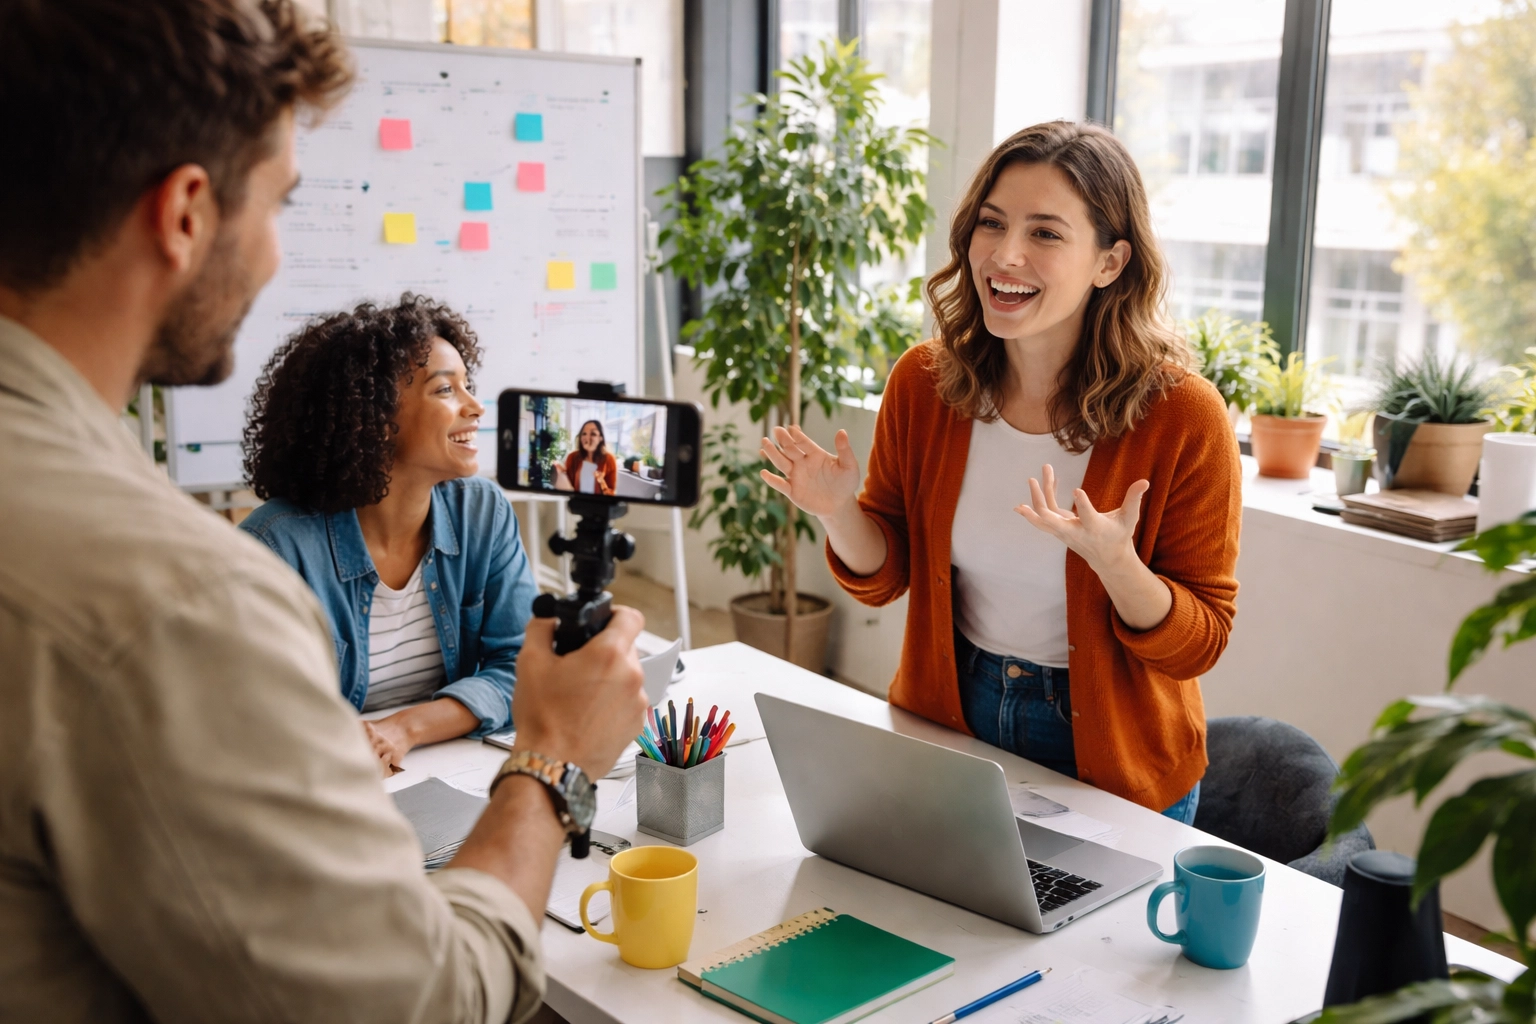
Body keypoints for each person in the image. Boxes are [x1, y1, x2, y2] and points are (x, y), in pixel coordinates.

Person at [0, 3, 648, 1022]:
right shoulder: (187, 597)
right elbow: (415, 1003)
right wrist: (550, 755)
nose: (272, 259)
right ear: (185, 215)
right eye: (281, 204)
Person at [760, 121, 1240, 823]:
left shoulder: (1182, 416)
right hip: (952, 712)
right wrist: (839, 512)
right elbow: (885, 575)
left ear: (1109, 262)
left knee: (1087, 937)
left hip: (1112, 750)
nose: (1005, 255)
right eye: (992, 223)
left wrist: (1116, 565)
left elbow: (1200, 641)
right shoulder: (924, 385)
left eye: (1046, 233)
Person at [240, 295, 537, 774]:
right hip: (325, 783)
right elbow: (253, 720)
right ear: (374, 417)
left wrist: (406, 729)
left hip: (447, 767)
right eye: (445, 391)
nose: (476, 406)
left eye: (468, 386)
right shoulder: (276, 548)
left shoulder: (482, 512)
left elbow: (523, 666)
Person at [554, 418, 618, 495]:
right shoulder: (572, 457)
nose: (587, 438)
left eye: (593, 434)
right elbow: (568, 490)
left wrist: (601, 482)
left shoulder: (609, 459)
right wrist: (561, 474)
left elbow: (612, 493)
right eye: (584, 433)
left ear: (600, 438)